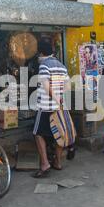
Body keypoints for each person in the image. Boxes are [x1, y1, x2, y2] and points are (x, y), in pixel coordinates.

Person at [32, 41, 69, 178]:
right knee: (58, 133)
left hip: (46, 107)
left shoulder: (44, 65)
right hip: (60, 107)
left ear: (41, 53)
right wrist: (60, 98)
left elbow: (46, 87)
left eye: (38, 54)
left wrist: (55, 98)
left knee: (38, 133)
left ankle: (45, 164)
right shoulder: (61, 65)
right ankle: (58, 162)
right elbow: (67, 85)